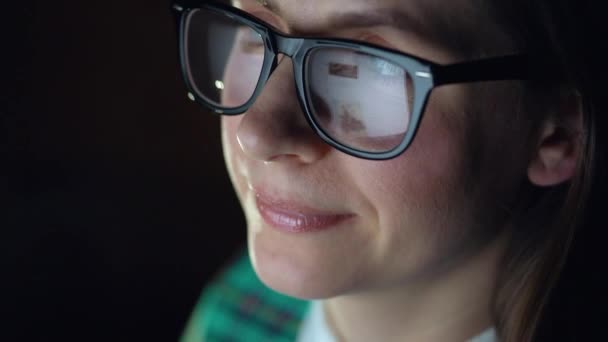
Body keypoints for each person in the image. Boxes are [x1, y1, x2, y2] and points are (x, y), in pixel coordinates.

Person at [173, 0, 607, 341]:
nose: (259, 132)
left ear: (558, 134)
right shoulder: (238, 311)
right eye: (253, 32)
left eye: (366, 65)